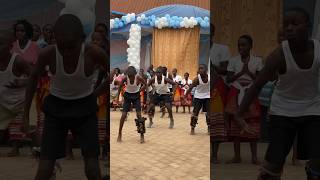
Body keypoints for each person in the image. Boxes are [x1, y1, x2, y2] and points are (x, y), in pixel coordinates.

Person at [235, 8, 320, 179]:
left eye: (295, 24)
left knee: (318, 161)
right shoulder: (279, 55)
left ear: (308, 26)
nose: (289, 28)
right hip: (283, 111)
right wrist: (239, 113)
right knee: (273, 165)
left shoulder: (318, 50)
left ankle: (313, 171)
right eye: (286, 25)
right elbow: (257, 85)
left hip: (312, 109)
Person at [22, 14, 108, 180]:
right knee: (45, 169)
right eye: (62, 47)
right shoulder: (48, 54)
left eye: (72, 47)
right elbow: (33, 78)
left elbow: (114, 75)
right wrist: (25, 114)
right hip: (56, 111)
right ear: (55, 40)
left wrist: (95, 94)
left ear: (82, 39)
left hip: (85, 111)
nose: (67, 52)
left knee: (92, 168)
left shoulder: (94, 53)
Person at [225, 35, 263, 165]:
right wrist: (241, 73)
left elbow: (260, 80)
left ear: (250, 46)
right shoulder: (233, 60)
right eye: (239, 45)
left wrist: (248, 72)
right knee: (236, 123)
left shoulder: (257, 61)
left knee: (252, 122)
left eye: (244, 45)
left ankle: (254, 157)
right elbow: (229, 79)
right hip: (236, 91)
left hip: (250, 92)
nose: (241, 47)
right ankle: (237, 156)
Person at [10, 19, 40, 156]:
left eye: (22, 30)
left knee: (30, 116)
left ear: (27, 32)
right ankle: (15, 147)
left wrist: (26, 81)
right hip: (13, 85)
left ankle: (36, 148)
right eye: (17, 30)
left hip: (29, 84)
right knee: (15, 117)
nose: (19, 33)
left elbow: (37, 69)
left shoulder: (34, 46)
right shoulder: (12, 46)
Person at [0, 29, 31, 156]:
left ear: (10, 46)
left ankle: (40, 152)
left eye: (0, 44)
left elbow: (36, 76)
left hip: (21, 101)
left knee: (28, 129)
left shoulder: (18, 61)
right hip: (3, 102)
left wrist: (23, 82)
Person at [209, 24, 232, 164]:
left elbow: (226, 70)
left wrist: (213, 65)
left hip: (217, 87)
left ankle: (214, 155)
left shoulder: (222, 49)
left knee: (216, 121)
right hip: (203, 87)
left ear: (213, 32)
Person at [116, 66, 147, 143]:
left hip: (136, 96)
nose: (129, 77)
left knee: (139, 116)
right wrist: (117, 98)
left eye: (131, 75)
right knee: (123, 115)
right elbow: (120, 86)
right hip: (127, 96)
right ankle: (119, 133)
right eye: (128, 75)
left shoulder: (138, 77)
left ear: (134, 74)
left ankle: (142, 135)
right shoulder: (125, 78)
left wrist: (140, 90)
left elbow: (145, 84)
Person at [184, 64, 210, 135]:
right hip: (198, 97)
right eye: (199, 69)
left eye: (202, 68)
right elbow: (190, 88)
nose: (200, 70)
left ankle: (209, 127)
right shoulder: (196, 79)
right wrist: (185, 96)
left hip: (208, 96)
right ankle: (192, 128)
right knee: (195, 113)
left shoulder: (210, 78)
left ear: (206, 70)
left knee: (209, 113)